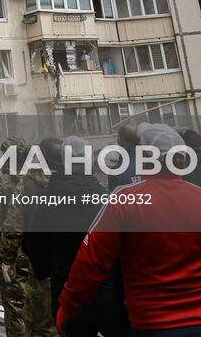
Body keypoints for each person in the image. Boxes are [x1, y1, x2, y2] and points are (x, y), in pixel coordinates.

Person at [58, 124, 201, 336]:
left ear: (144, 159)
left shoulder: (124, 201)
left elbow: (90, 263)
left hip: (153, 326)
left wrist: (68, 308)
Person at [22, 137, 126, 337]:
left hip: (67, 295)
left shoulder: (45, 203)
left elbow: (34, 247)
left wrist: (46, 270)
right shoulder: (108, 201)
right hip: (107, 294)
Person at [0, 137, 56, 337]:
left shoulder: (1, 184)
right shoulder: (42, 180)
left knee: (16, 313)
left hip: (13, 260)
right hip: (42, 258)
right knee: (43, 315)